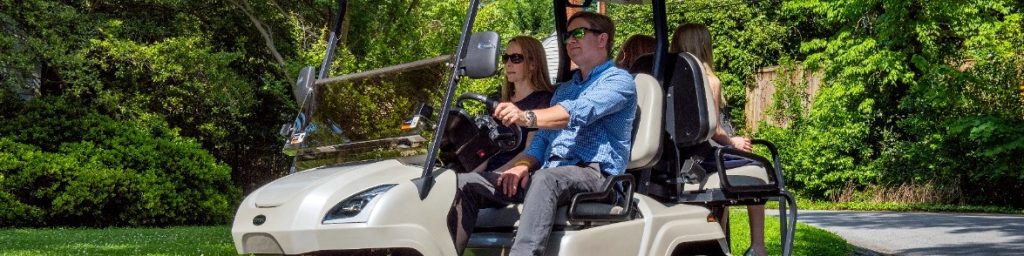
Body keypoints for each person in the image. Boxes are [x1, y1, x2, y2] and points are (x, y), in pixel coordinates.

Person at [449, 11, 637, 256]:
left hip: (596, 174)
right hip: (551, 173)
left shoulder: (618, 81)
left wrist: (526, 116)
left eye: (579, 33)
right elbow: (542, 140)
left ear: (602, 40)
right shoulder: (565, 90)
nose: (570, 40)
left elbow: (578, 112)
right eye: (568, 36)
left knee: (545, 179)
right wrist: (523, 165)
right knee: (466, 183)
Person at [672, 23, 765, 256]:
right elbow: (714, 129)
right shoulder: (709, 81)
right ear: (704, 46)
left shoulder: (664, 81)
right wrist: (733, 142)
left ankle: (721, 243)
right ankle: (758, 247)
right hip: (700, 158)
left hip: (675, 158)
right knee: (759, 165)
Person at [472, 36, 555, 173]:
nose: (508, 64)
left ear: (533, 64)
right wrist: (470, 174)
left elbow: (530, 151)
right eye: (506, 58)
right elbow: (486, 152)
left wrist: (495, 175)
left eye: (516, 58)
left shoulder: (544, 101)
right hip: (487, 173)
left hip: (511, 176)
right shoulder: (499, 101)